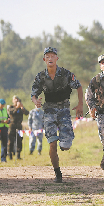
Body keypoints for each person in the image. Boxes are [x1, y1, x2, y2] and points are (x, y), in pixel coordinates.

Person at [31, 47, 84, 183]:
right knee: (52, 143)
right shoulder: (41, 76)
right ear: (44, 60)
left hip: (64, 110)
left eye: (52, 56)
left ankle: (65, 140)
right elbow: (34, 93)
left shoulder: (66, 74)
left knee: (65, 146)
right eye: (47, 56)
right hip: (49, 110)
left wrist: (80, 105)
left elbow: (78, 86)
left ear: (57, 58)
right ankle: (57, 173)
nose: (50, 58)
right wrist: (35, 100)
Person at [8, 95, 29, 160]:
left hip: (19, 126)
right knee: (10, 141)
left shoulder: (21, 108)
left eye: (17, 100)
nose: (16, 101)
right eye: (15, 100)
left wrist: (22, 108)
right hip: (12, 125)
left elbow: (27, 113)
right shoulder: (10, 107)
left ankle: (18, 155)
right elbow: (11, 113)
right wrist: (16, 107)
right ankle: (10, 154)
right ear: (13, 101)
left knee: (19, 141)